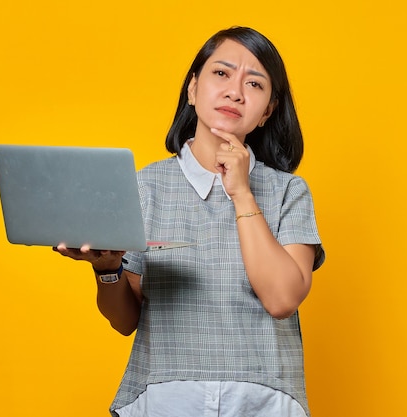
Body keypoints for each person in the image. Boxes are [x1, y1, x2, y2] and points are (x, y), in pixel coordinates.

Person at [54, 26, 325, 417]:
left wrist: (242, 193)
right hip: (165, 400)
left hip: (262, 403)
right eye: (222, 73)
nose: (235, 91)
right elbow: (124, 320)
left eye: (254, 83)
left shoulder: (288, 191)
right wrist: (107, 268)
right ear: (193, 89)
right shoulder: (145, 186)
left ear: (267, 110)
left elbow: (282, 299)